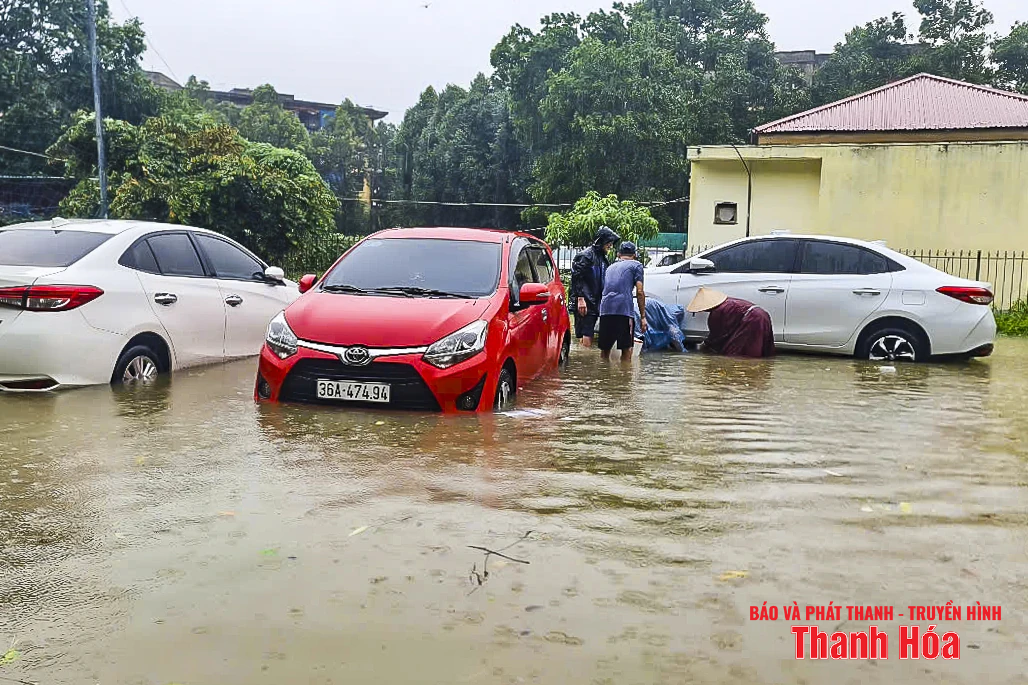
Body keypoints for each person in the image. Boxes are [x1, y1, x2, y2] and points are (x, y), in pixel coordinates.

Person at [686, 287, 775, 358]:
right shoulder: (729, 302)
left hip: (753, 319)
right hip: (763, 315)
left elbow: (718, 336)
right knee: (763, 352)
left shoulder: (718, 311)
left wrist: (705, 344)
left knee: (737, 356)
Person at [569, 226, 619, 347]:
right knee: (587, 332)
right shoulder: (586, 256)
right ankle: (585, 361)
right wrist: (580, 299)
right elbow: (577, 278)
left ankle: (583, 356)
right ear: (601, 241)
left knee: (588, 331)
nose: (610, 246)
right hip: (586, 300)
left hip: (595, 300)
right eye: (609, 243)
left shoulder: (602, 258)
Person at [598, 241, 647, 361]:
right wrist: (643, 317)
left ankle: (603, 377)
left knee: (605, 351)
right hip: (623, 311)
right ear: (634, 255)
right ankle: (625, 377)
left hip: (605, 310)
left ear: (619, 254)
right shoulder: (637, 265)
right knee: (626, 349)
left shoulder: (610, 267)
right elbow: (640, 292)